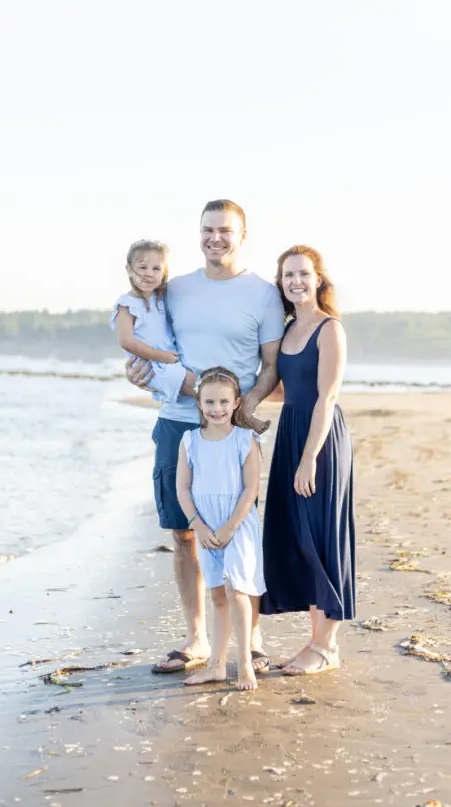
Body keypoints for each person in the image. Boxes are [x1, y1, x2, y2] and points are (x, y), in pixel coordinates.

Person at [126, 199, 284, 675]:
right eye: (207, 229)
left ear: (242, 235)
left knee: (239, 533)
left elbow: (271, 365)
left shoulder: (263, 294)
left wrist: (246, 407)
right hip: (177, 420)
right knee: (183, 532)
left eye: (225, 230)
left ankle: (250, 640)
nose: (215, 238)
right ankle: (196, 640)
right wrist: (137, 370)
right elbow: (144, 334)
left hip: (232, 428)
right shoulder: (176, 289)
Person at [261, 245, 356, 675]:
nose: (295, 282)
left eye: (303, 274)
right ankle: (317, 642)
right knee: (296, 534)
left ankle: (326, 646)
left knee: (320, 536)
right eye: (287, 276)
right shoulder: (286, 329)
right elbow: (286, 388)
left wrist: (309, 458)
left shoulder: (329, 329)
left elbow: (327, 396)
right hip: (290, 431)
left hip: (319, 441)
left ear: (319, 279)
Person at [176, 367, 265, 691]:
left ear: (236, 402)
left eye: (224, 401)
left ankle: (243, 664)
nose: (216, 408)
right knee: (217, 595)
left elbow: (251, 488)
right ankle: (215, 665)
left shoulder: (245, 439)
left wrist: (230, 526)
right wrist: (197, 525)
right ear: (199, 403)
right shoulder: (190, 441)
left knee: (237, 590)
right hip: (205, 524)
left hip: (236, 523)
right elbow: (183, 489)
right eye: (209, 401)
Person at [111, 240, 195, 405]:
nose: (149, 273)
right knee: (205, 389)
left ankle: (237, 423)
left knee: (210, 393)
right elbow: (126, 341)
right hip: (153, 367)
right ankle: (240, 419)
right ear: (129, 269)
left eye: (156, 268)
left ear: (164, 272)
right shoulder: (127, 305)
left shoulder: (161, 298)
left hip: (169, 362)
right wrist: (161, 356)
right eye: (142, 267)